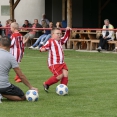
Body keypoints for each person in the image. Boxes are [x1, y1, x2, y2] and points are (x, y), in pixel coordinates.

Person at [0, 36, 38, 101]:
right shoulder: (11, 57)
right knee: (22, 96)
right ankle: (2, 93)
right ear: (10, 45)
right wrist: (30, 87)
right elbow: (21, 75)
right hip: (3, 86)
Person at [40, 27, 71, 92]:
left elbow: (66, 38)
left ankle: (63, 89)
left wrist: (67, 31)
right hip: (54, 63)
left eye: (60, 34)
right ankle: (46, 83)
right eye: (57, 34)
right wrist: (43, 49)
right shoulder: (51, 41)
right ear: (52, 34)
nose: (59, 35)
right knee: (59, 76)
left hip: (61, 62)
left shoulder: (60, 41)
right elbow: (45, 46)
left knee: (65, 74)